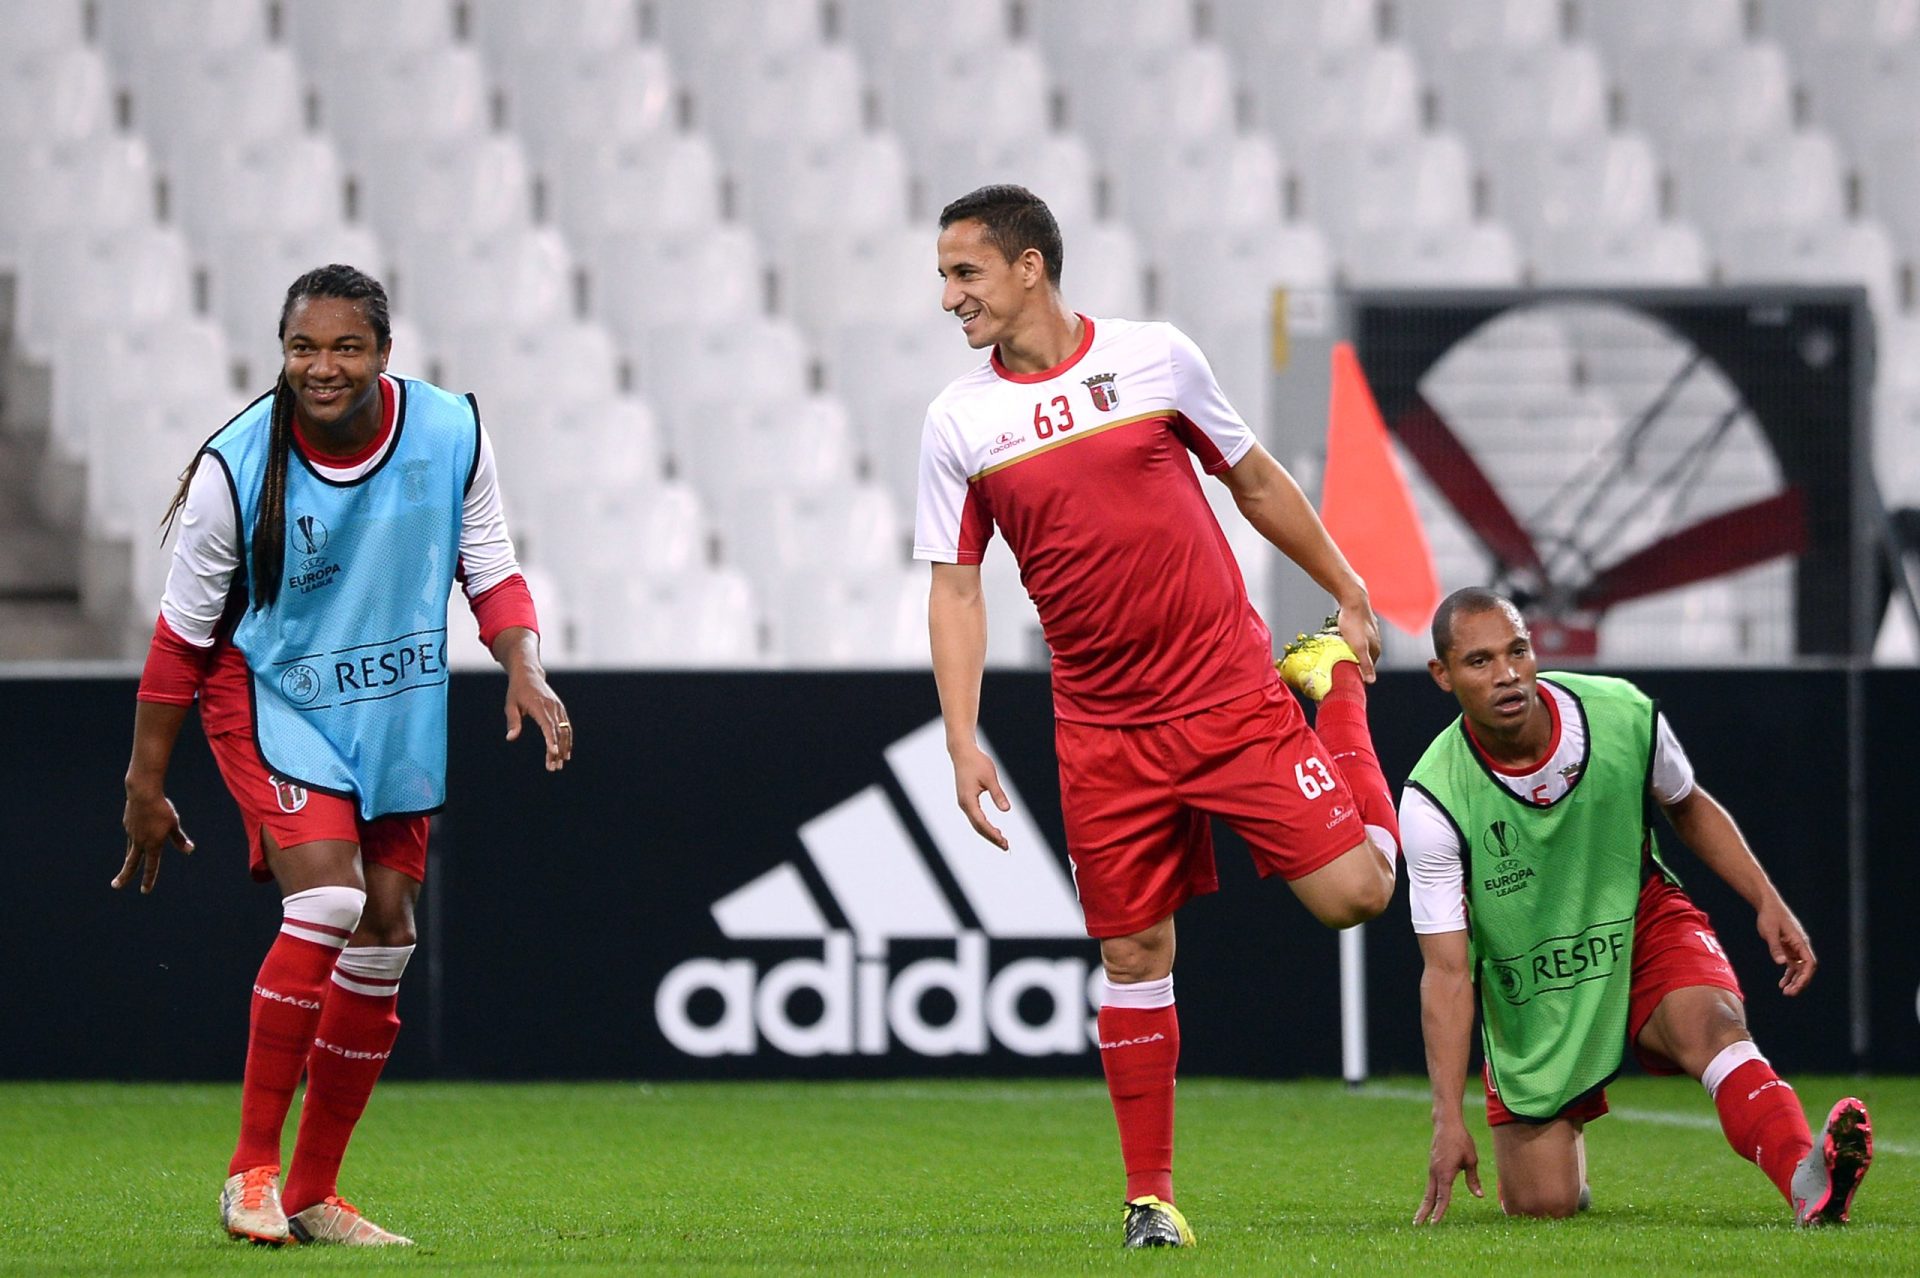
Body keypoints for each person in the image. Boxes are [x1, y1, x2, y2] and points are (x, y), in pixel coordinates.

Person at [915, 185, 1400, 1248]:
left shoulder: (1154, 359)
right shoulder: (960, 421)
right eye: (947, 275)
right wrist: (962, 736)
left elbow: (1254, 480)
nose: (949, 296)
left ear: (1029, 266)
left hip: (1229, 693)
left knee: (1359, 894)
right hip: (1102, 732)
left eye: (966, 273)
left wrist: (1348, 587)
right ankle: (1151, 1199)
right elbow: (956, 588)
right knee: (1133, 955)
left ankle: (1335, 690)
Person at [115, 265, 572, 1247]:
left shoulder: (450, 432)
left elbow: (487, 561)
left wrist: (524, 668)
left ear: (384, 355)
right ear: (281, 352)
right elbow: (181, 641)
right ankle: (250, 1174)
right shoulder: (236, 468)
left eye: (344, 347)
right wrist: (143, 783)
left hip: (392, 701)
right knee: (329, 901)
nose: (321, 367)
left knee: (388, 933)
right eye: (302, 348)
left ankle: (315, 1193)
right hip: (268, 695)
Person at [1404, 587, 1872, 1227]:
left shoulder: (1620, 715)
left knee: (1716, 1030)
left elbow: (1687, 803)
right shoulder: (1433, 800)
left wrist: (1766, 900)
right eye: (1480, 661)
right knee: (1544, 1205)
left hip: (1638, 920)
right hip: (1535, 974)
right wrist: (1446, 1119)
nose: (1508, 675)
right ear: (1443, 674)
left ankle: (1806, 1178)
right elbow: (1449, 971)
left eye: (1518, 651)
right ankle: (1564, 1160)